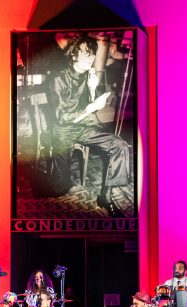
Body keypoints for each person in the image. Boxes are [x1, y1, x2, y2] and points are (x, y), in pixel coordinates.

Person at [48, 34, 132, 216]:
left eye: (93, 53)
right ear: (74, 54)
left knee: (120, 146)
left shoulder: (89, 75)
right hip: (63, 130)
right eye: (86, 52)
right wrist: (90, 108)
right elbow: (62, 118)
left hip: (83, 127)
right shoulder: (57, 78)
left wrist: (93, 89)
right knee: (59, 188)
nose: (91, 57)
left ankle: (106, 197)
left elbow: (91, 108)